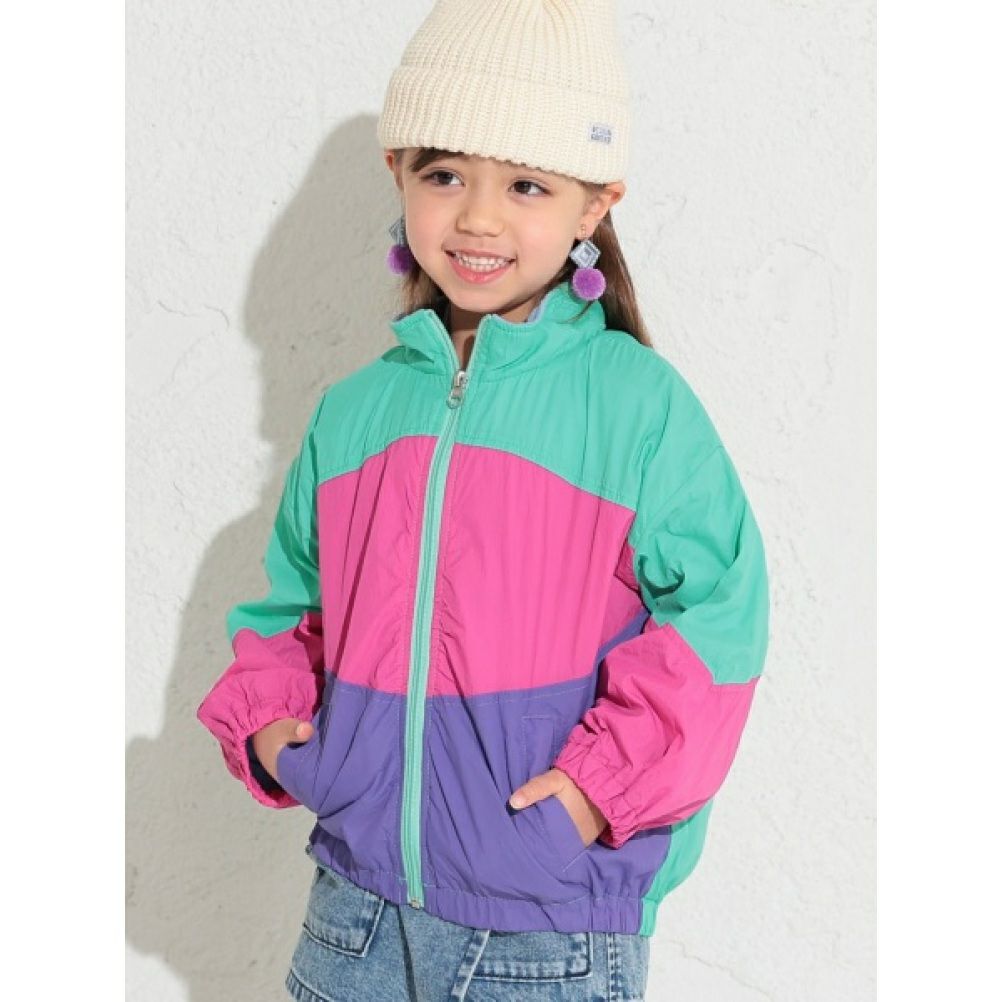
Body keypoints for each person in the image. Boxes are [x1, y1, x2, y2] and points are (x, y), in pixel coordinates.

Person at [196, 1, 771, 999]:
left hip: (545, 930)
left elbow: (720, 618)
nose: (478, 217)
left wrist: (595, 792)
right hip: (353, 913)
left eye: (526, 184)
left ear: (593, 206)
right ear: (399, 175)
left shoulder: (636, 406)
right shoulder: (357, 412)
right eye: (445, 174)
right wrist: (273, 724)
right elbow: (294, 599)